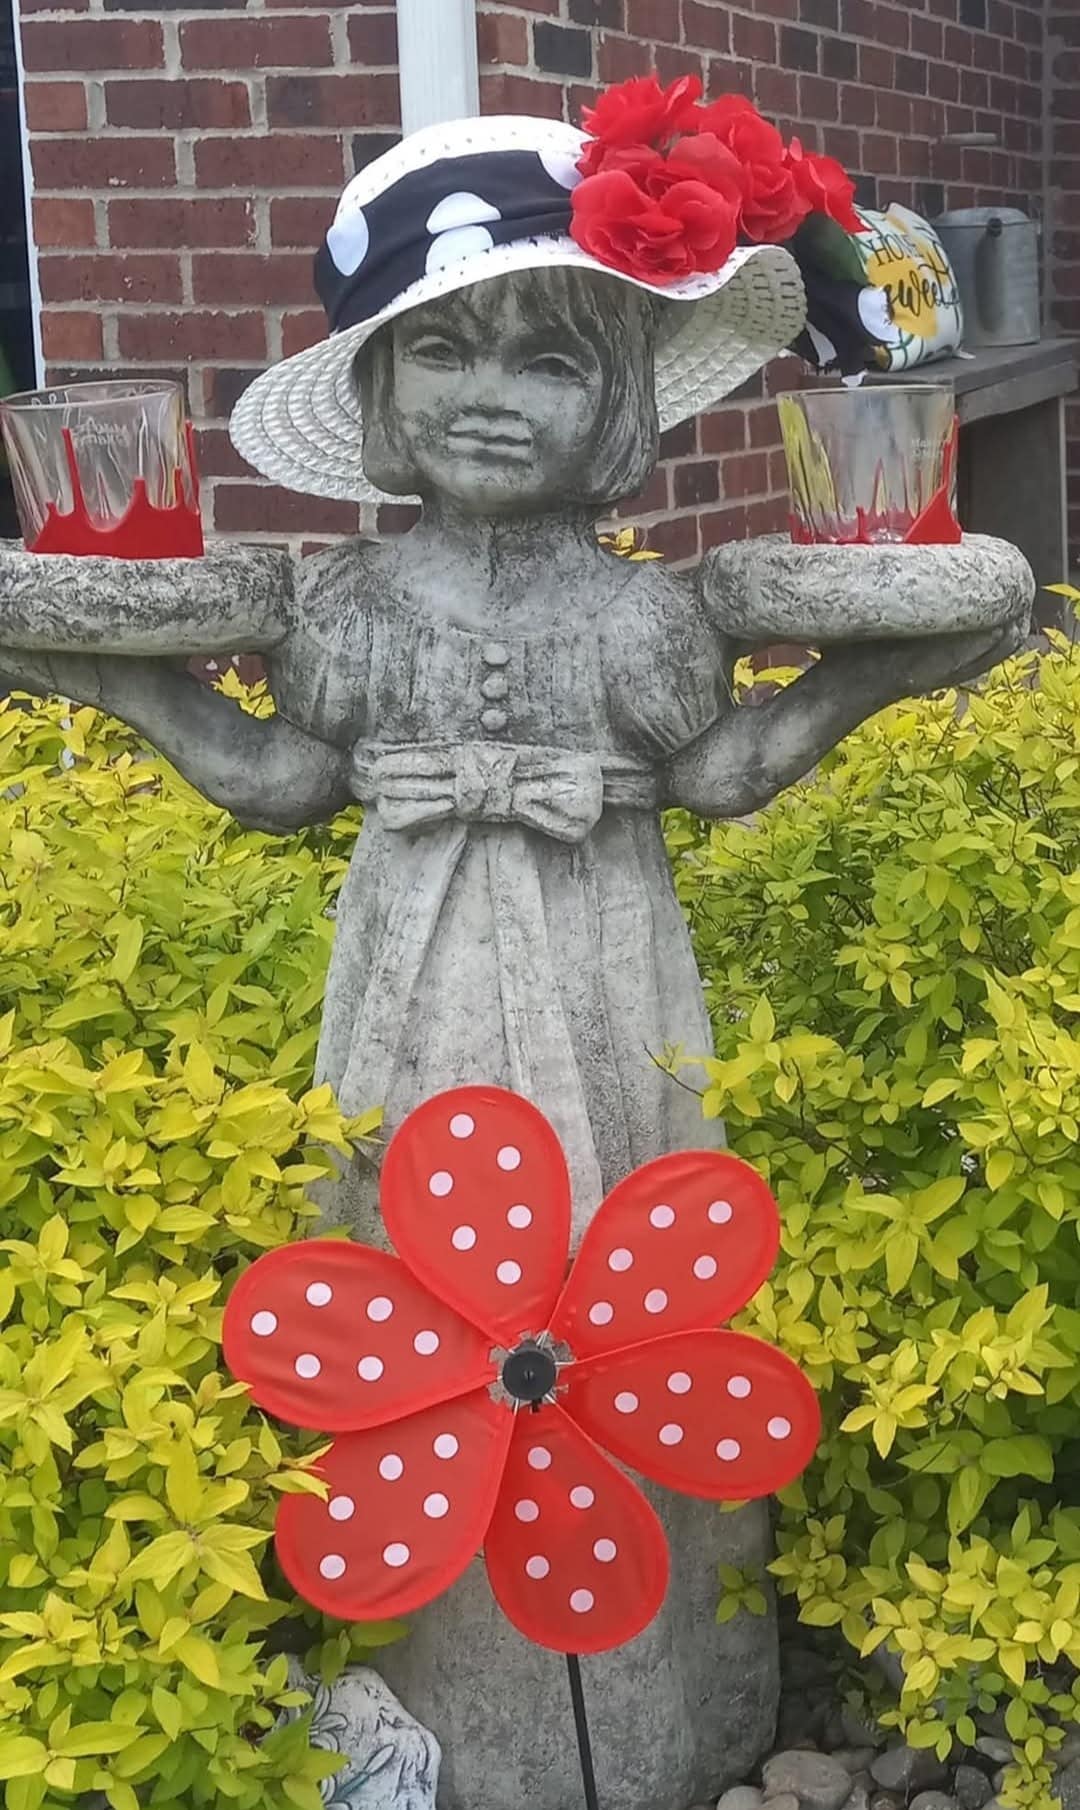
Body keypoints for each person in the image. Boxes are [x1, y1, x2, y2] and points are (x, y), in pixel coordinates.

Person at [0, 86, 1030, 1810]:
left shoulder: (640, 614)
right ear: (380, 396)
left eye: (550, 362)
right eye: (443, 353)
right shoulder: (348, 604)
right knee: (397, 1254)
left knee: (625, 1250)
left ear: (618, 399)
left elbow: (719, 773)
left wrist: (871, 677)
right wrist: (98, 676)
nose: (491, 397)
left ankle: (652, 1689)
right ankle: (435, 1672)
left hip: (606, 967)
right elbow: (279, 779)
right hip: (403, 980)